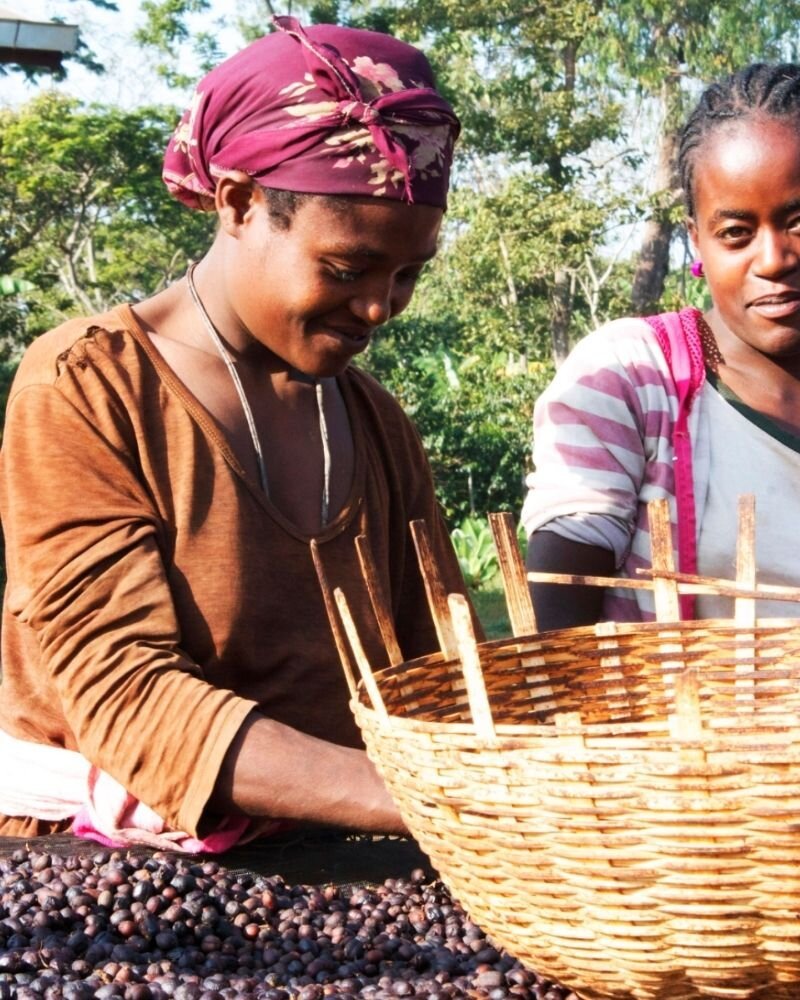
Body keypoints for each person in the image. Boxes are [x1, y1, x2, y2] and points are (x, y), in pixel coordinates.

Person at [0, 16, 468, 850]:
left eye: (408, 275)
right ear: (241, 203)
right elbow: (128, 696)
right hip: (104, 869)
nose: (377, 308)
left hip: (339, 859)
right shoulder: (88, 386)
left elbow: (444, 676)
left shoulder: (377, 426)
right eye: (347, 268)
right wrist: (439, 804)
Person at [523, 63, 800, 632]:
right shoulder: (632, 377)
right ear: (697, 239)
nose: (774, 260)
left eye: (799, 222)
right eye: (736, 233)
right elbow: (558, 638)